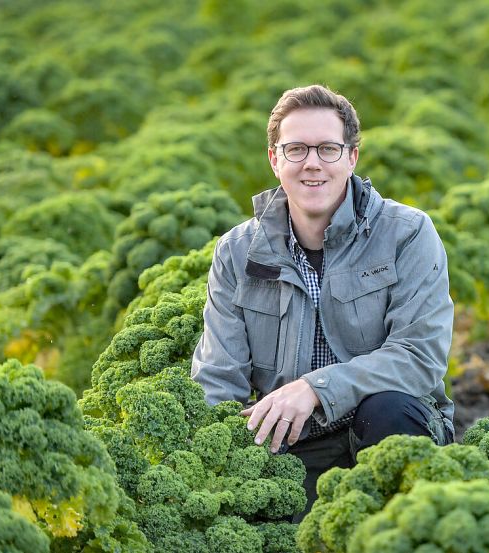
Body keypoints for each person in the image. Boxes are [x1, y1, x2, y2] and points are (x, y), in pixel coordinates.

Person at [191, 84, 455, 519]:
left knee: (388, 409)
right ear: (274, 159)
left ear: (351, 157)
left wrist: (316, 389)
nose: (312, 163)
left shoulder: (406, 233)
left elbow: (419, 357)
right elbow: (218, 380)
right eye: (295, 149)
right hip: (293, 443)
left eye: (328, 149)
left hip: (388, 428)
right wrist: (216, 467)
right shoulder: (237, 251)